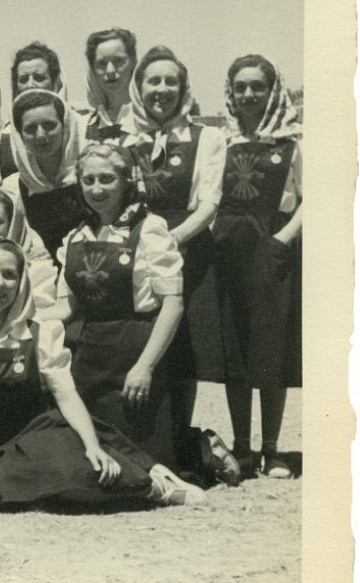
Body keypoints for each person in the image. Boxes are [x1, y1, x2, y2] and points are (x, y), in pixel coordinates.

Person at [0, 238, 207, 509]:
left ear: (21, 282)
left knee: (77, 469)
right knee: (8, 487)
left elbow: (65, 396)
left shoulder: (40, 332)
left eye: (9, 275)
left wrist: (92, 445)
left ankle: (152, 487)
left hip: (42, 429)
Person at [51, 144, 239, 486]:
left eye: (107, 179)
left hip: (134, 352)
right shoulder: (74, 236)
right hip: (91, 356)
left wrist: (145, 367)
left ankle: (202, 448)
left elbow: (173, 302)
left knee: (141, 469)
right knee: (87, 465)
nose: (96, 189)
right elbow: (68, 307)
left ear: (126, 181)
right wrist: (27, 322)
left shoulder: (149, 229)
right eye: (88, 180)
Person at [120, 46, 228, 459]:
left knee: (183, 350)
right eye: (153, 81)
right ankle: (142, 439)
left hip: (187, 252)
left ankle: (179, 442)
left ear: (183, 89)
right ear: (139, 87)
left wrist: (168, 241)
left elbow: (209, 204)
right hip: (132, 252)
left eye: (171, 81)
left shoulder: (207, 137)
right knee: (139, 340)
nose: (162, 89)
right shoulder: (125, 139)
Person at [214, 55, 302, 478]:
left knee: (272, 344)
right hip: (229, 251)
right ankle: (241, 446)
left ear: (273, 90)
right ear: (230, 93)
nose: (249, 95)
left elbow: (312, 196)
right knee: (236, 348)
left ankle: (272, 449)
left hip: (272, 249)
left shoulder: (293, 142)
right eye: (240, 87)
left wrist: (283, 240)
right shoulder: (221, 140)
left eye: (257, 87)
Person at [0, 88, 88, 262]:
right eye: (31, 128)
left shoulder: (89, 176)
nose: (40, 135)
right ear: (20, 135)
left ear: (65, 126)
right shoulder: (14, 190)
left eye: (49, 125)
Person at [0, 42, 72, 179]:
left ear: (55, 82)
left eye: (39, 78)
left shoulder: (77, 126)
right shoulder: (3, 136)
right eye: (23, 79)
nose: (30, 85)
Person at [82, 28, 138, 143]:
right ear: (92, 69)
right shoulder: (84, 126)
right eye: (101, 63)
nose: (110, 71)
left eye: (118, 61)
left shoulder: (149, 120)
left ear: (133, 62)